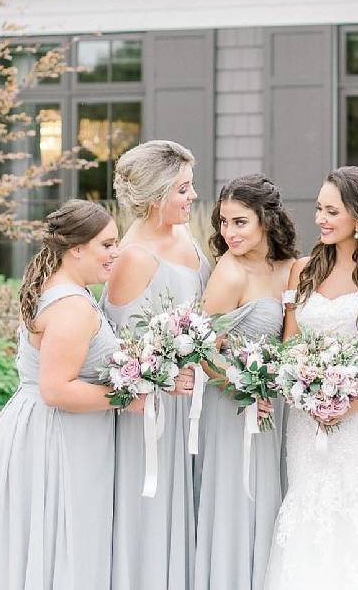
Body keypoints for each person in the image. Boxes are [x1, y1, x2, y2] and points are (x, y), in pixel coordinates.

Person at [264, 166, 358, 590]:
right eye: (319, 209)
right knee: (309, 505)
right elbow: (290, 344)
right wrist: (305, 392)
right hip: (308, 418)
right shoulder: (302, 270)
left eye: (332, 211)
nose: (321, 219)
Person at [0, 200, 126, 589]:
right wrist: (127, 396)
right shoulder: (72, 307)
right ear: (76, 248)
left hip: (46, 428)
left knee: (48, 543)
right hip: (56, 434)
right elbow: (57, 389)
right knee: (61, 541)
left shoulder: (63, 289)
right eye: (106, 245)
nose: (115, 253)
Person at [102, 140, 211, 590]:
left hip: (195, 401)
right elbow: (123, 346)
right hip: (156, 412)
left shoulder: (183, 234)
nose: (192, 197)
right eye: (183, 189)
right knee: (152, 511)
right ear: (155, 196)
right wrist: (165, 377)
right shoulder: (132, 256)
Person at [194, 174, 297, 590]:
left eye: (240, 222)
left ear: (266, 221)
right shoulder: (229, 271)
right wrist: (244, 388)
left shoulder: (293, 267)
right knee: (239, 498)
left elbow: (294, 337)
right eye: (223, 222)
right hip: (232, 404)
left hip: (279, 401)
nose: (228, 233)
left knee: (275, 497)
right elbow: (204, 349)